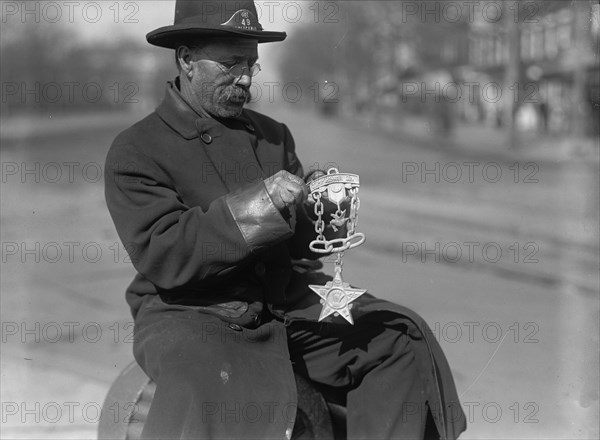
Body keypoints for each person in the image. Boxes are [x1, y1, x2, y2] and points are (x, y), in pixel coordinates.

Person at [104, 1, 467, 439]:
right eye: (231, 64)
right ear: (186, 59)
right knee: (205, 386)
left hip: (284, 302)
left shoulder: (272, 135)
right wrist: (260, 206)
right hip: (193, 313)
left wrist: (322, 211)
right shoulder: (137, 149)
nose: (244, 79)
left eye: (252, 65)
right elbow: (167, 254)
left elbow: (298, 247)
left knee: (398, 338)